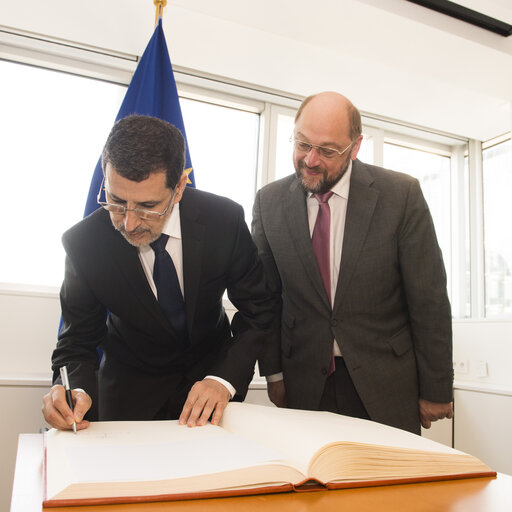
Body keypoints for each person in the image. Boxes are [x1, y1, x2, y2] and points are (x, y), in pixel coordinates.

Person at [43, 115, 276, 431]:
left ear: (179, 187)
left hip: (211, 395)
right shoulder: (84, 243)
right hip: (128, 400)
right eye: (115, 201)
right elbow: (76, 342)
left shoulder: (224, 221)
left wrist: (223, 379)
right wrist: (73, 390)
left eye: (147, 206)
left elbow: (259, 310)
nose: (129, 223)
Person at [252, 91, 453, 434]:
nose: (311, 160)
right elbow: (266, 298)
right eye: (302, 144)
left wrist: (435, 389)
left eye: (328, 150)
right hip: (304, 385)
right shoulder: (269, 202)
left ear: (356, 147)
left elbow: (428, 299)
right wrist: (275, 373)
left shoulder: (400, 196)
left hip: (386, 384)